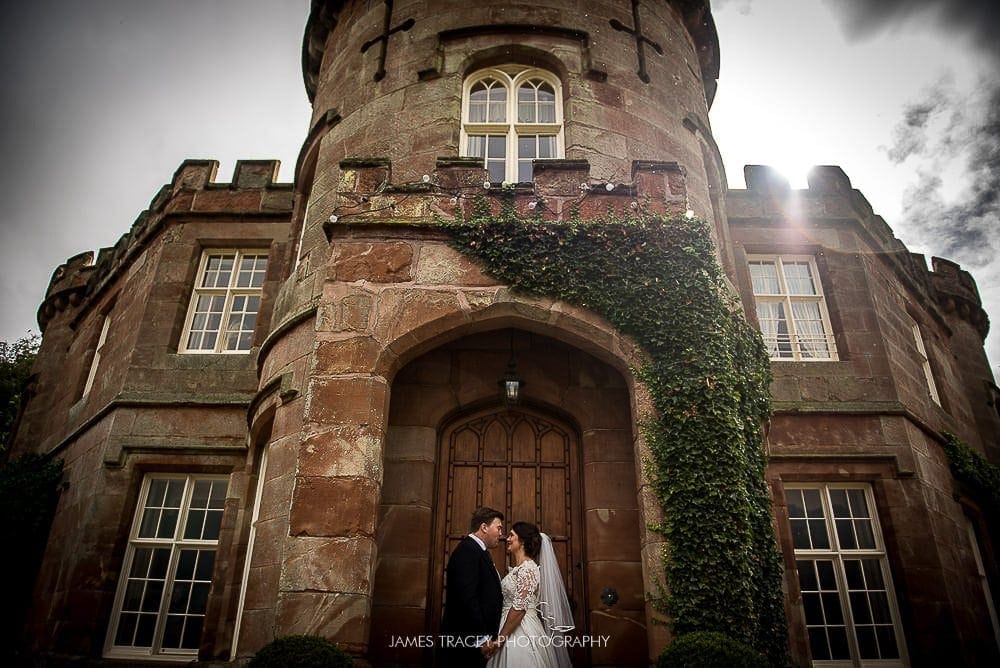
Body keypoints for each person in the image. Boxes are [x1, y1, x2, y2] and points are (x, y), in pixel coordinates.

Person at [485, 522, 575, 668]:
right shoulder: (519, 569)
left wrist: (500, 640)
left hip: (521, 629)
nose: (507, 539)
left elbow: (520, 608)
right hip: (508, 624)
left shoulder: (528, 569)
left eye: (512, 535)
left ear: (523, 541)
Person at [439, 507, 505, 667]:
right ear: (484, 527)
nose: (501, 534)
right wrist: (482, 638)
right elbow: (467, 598)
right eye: (499, 528)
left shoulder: (478, 551)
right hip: (466, 643)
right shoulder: (468, 551)